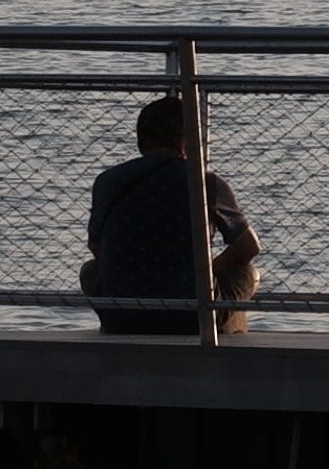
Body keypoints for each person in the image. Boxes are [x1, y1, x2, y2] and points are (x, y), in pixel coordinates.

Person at [82, 95, 263, 335]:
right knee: (248, 273)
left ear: (140, 140)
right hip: (193, 314)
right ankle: (222, 336)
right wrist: (211, 268)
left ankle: (116, 329)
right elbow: (249, 247)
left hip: (122, 311)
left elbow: (96, 247)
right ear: (185, 141)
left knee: (90, 270)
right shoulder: (207, 183)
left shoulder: (107, 182)